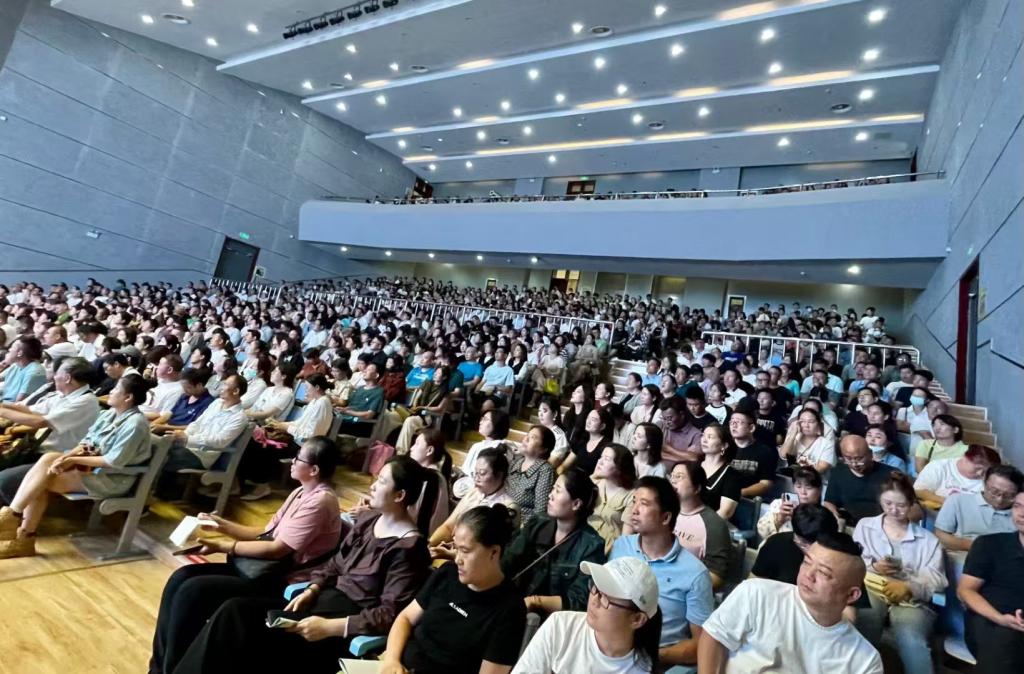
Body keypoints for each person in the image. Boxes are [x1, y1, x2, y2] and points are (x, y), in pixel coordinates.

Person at [171, 456, 434, 674]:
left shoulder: (409, 548)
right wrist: (312, 589)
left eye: (382, 482)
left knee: (241, 627)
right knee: (233, 611)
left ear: (400, 495)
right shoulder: (368, 521)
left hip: (341, 627)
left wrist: (330, 627)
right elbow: (335, 564)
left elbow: (388, 614)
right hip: (318, 604)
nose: (373, 486)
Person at [146, 437, 342, 674]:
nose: (292, 461)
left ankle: (171, 668)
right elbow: (265, 533)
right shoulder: (300, 492)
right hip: (264, 568)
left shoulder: (320, 502)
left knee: (193, 591)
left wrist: (224, 546)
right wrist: (221, 525)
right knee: (181, 577)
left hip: (282, 580)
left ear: (314, 470)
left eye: (298, 458)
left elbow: (276, 549)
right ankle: (160, 667)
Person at [0, 374, 152, 559]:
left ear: (128, 397)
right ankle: (16, 522)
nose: (110, 392)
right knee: (50, 460)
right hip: (91, 471)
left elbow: (113, 461)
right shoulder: (109, 414)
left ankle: (21, 533)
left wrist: (73, 460)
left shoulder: (135, 424)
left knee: (41, 481)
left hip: (113, 478)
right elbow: (87, 441)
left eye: (116, 389)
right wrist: (67, 457)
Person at [698, 533, 883, 674]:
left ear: (851, 595)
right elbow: (714, 636)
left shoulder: (864, 662)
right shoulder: (758, 592)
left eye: (824, 573)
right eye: (807, 562)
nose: (808, 575)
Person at [379, 505, 527, 674]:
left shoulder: (509, 609)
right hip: (398, 666)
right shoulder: (447, 573)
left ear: (494, 552)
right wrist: (392, 660)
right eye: (456, 548)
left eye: (465, 551)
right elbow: (405, 618)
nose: (458, 559)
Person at [611, 476, 714, 669]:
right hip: (609, 649)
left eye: (644, 504)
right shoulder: (621, 546)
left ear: (666, 517)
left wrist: (650, 656)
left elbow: (702, 645)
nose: (634, 510)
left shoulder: (695, 574)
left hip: (655, 662)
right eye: (634, 502)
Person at [853, 472, 947, 674]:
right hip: (873, 588)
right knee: (865, 621)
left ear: (912, 503)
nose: (894, 510)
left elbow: (936, 579)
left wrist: (908, 586)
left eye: (901, 505)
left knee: (910, 637)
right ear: (880, 500)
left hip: (911, 599)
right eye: (888, 504)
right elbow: (853, 561)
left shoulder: (928, 540)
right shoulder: (865, 526)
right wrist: (874, 567)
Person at [513, 557, 663, 674]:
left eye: (605, 598)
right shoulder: (561, 626)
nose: (594, 600)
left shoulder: (643, 668)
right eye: (595, 587)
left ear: (637, 619)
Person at [502, 468, 606, 613]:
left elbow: (579, 600)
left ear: (576, 504)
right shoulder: (537, 523)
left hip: (554, 618)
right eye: (552, 489)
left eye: (557, 491)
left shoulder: (592, 545)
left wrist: (536, 602)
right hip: (516, 602)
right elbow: (508, 561)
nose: (550, 495)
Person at [956, 491, 1024, 673]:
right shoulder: (989, 544)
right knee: (1005, 641)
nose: (1021, 514)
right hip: (991, 619)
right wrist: (1000, 619)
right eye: (1017, 506)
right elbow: (965, 591)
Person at [241, 373, 334, 501]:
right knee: (255, 442)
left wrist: (286, 428)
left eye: (307, 388)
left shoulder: (323, 403)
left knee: (265, 449)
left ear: (317, 387)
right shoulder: (315, 401)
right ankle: (250, 479)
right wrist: (280, 424)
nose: (306, 391)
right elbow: (300, 422)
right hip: (298, 440)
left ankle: (262, 486)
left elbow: (310, 434)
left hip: (305, 445)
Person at [430, 448, 520, 558]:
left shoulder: (508, 507)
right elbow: (448, 527)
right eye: (475, 473)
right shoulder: (473, 493)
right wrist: (429, 545)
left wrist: (451, 555)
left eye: (482, 473)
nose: (476, 478)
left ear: (499, 475)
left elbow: (488, 553)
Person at [668, 461, 732, 589]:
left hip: (684, 590)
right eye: (672, 476)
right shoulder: (664, 512)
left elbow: (716, 576)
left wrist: (679, 585)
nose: (673, 481)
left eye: (679, 477)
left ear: (697, 488)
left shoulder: (714, 525)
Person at [934, 464, 1023, 552]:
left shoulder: (1019, 514)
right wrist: (980, 547)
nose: (1000, 499)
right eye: (994, 491)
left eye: (1009, 495)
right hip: (961, 553)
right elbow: (940, 535)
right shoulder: (957, 500)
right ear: (984, 482)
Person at [824, 435, 895, 525]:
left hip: (882, 525)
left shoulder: (891, 474)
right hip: (849, 525)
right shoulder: (838, 472)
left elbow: (908, 507)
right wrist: (833, 514)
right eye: (848, 459)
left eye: (859, 458)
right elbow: (829, 502)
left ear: (870, 454)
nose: (854, 464)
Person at [914, 444, 1000, 509]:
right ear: (964, 458)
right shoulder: (939, 467)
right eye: (978, 468)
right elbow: (918, 491)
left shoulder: (989, 478)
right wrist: (948, 502)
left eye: (985, 471)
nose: (980, 473)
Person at [588, 444, 638, 551]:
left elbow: (626, 538)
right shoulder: (593, 482)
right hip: (583, 539)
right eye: (600, 457)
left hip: (608, 548)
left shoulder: (632, 496)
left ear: (620, 467)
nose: (600, 462)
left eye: (606, 459)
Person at [452, 408, 511, 498]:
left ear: (497, 423)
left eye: (485, 419)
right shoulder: (476, 445)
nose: (480, 422)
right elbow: (466, 472)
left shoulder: (502, 447)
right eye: (481, 419)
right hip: (466, 486)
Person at [757, 466, 824, 539]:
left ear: (819, 489)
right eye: (798, 486)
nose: (803, 492)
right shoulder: (779, 504)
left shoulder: (823, 515)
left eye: (808, 487)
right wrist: (780, 518)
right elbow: (762, 532)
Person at [507, 425, 557, 523]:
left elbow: (541, 510)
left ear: (544, 449)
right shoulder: (516, 462)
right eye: (527, 435)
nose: (526, 439)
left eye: (533, 437)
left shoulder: (545, 470)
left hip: (523, 523)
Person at [727, 410, 778, 499]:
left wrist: (739, 493)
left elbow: (766, 484)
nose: (734, 425)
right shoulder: (724, 447)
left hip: (749, 500)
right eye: (732, 422)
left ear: (751, 428)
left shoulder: (765, 452)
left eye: (739, 422)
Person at [697, 424, 740, 520]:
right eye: (703, 435)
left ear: (724, 445)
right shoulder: (694, 466)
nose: (704, 440)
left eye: (710, 437)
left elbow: (725, 512)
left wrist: (700, 525)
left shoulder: (732, 475)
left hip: (713, 524)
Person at [781, 408, 836, 477]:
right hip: (789, 479)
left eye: (811, 422)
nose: (806, 425)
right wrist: (793, 434)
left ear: (818, 424)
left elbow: (821, 469)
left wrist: (799, 468)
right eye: (802, 421)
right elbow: (783, 455)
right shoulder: (794, 438)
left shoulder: (827, 444)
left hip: (813, 481)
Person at [561, 406, 614, 477]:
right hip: (574, 478)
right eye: (588, 418)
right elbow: (565, 465)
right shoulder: (582, 440)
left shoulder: (606, 446)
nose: (588, 422)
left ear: (602, 426)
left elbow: (599, 476)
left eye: (593, 420)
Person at [0, 337, 47, 403]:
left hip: (11, 407)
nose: (9, 350)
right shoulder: (16, 365)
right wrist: (3, 363)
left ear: (20, 353)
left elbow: (19, 403)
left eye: (12, 347)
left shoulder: (35, 372)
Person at [659, 397, 701, 464]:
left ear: (682, 415)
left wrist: (669, 449)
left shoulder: (696, 435)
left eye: (669, 418)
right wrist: (682, 457)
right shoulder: (660, 425)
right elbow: (650, 451)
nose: (667, 422)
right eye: (664, 418)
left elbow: (694, 458)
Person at [537, 395, 570, 468]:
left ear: (554, 414)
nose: (540, 414)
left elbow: (552, 463)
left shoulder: (559, 435)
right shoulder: (538, 430)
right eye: (539, 411)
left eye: (544, 411)